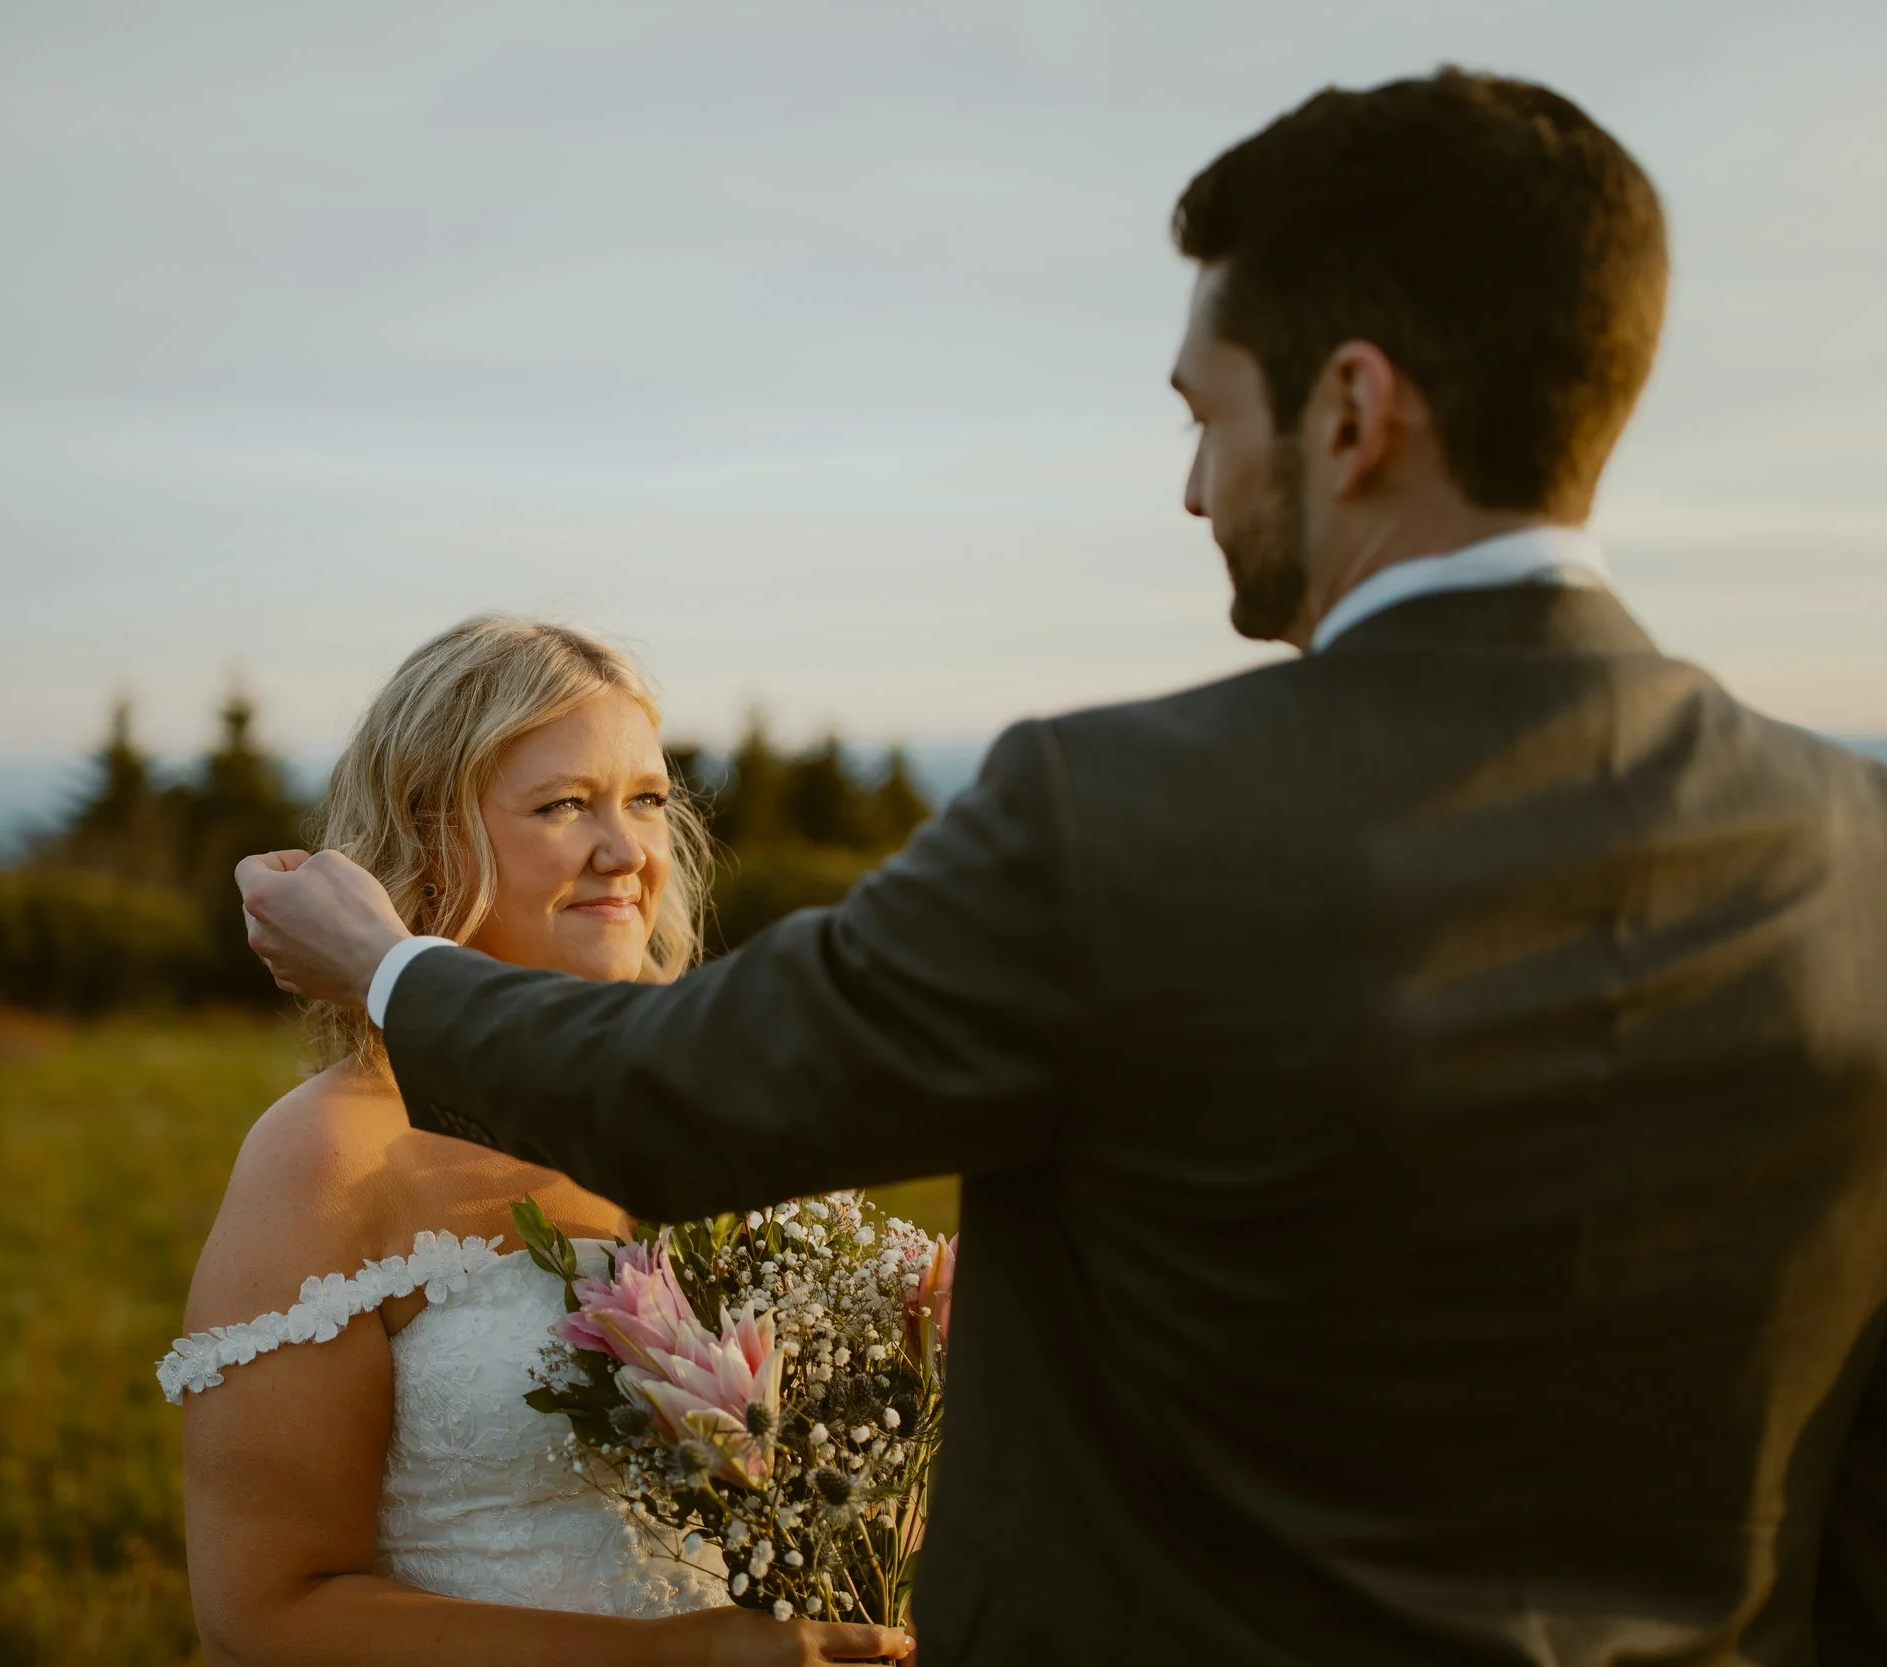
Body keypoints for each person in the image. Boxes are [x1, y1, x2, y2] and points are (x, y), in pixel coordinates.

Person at [236, 69, 1887, 1665]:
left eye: (1206, 415)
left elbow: (684, 1092)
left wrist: (387, 966)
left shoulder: (1116, 818)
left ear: (1351, 411)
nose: (1195, 486)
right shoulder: (1855, 846)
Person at [160, 617, 913, 1666]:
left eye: (646, 799)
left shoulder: (720, 1091)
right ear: (432, 836)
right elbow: (265, 1613)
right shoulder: (331, 1152)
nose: (626, 852)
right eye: (563, 805)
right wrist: (678, 1658)